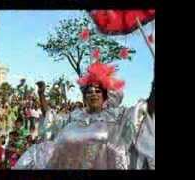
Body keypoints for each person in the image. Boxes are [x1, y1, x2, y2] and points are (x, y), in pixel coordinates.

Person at [14, 61, 155, 169]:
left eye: (98, 91)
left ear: (105, 96)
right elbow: (51, 120)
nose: (93, 94)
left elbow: (142, 111)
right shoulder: (74, 116)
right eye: (89, 91)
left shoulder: (116, 116)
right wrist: (41, 94)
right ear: (84, 96)